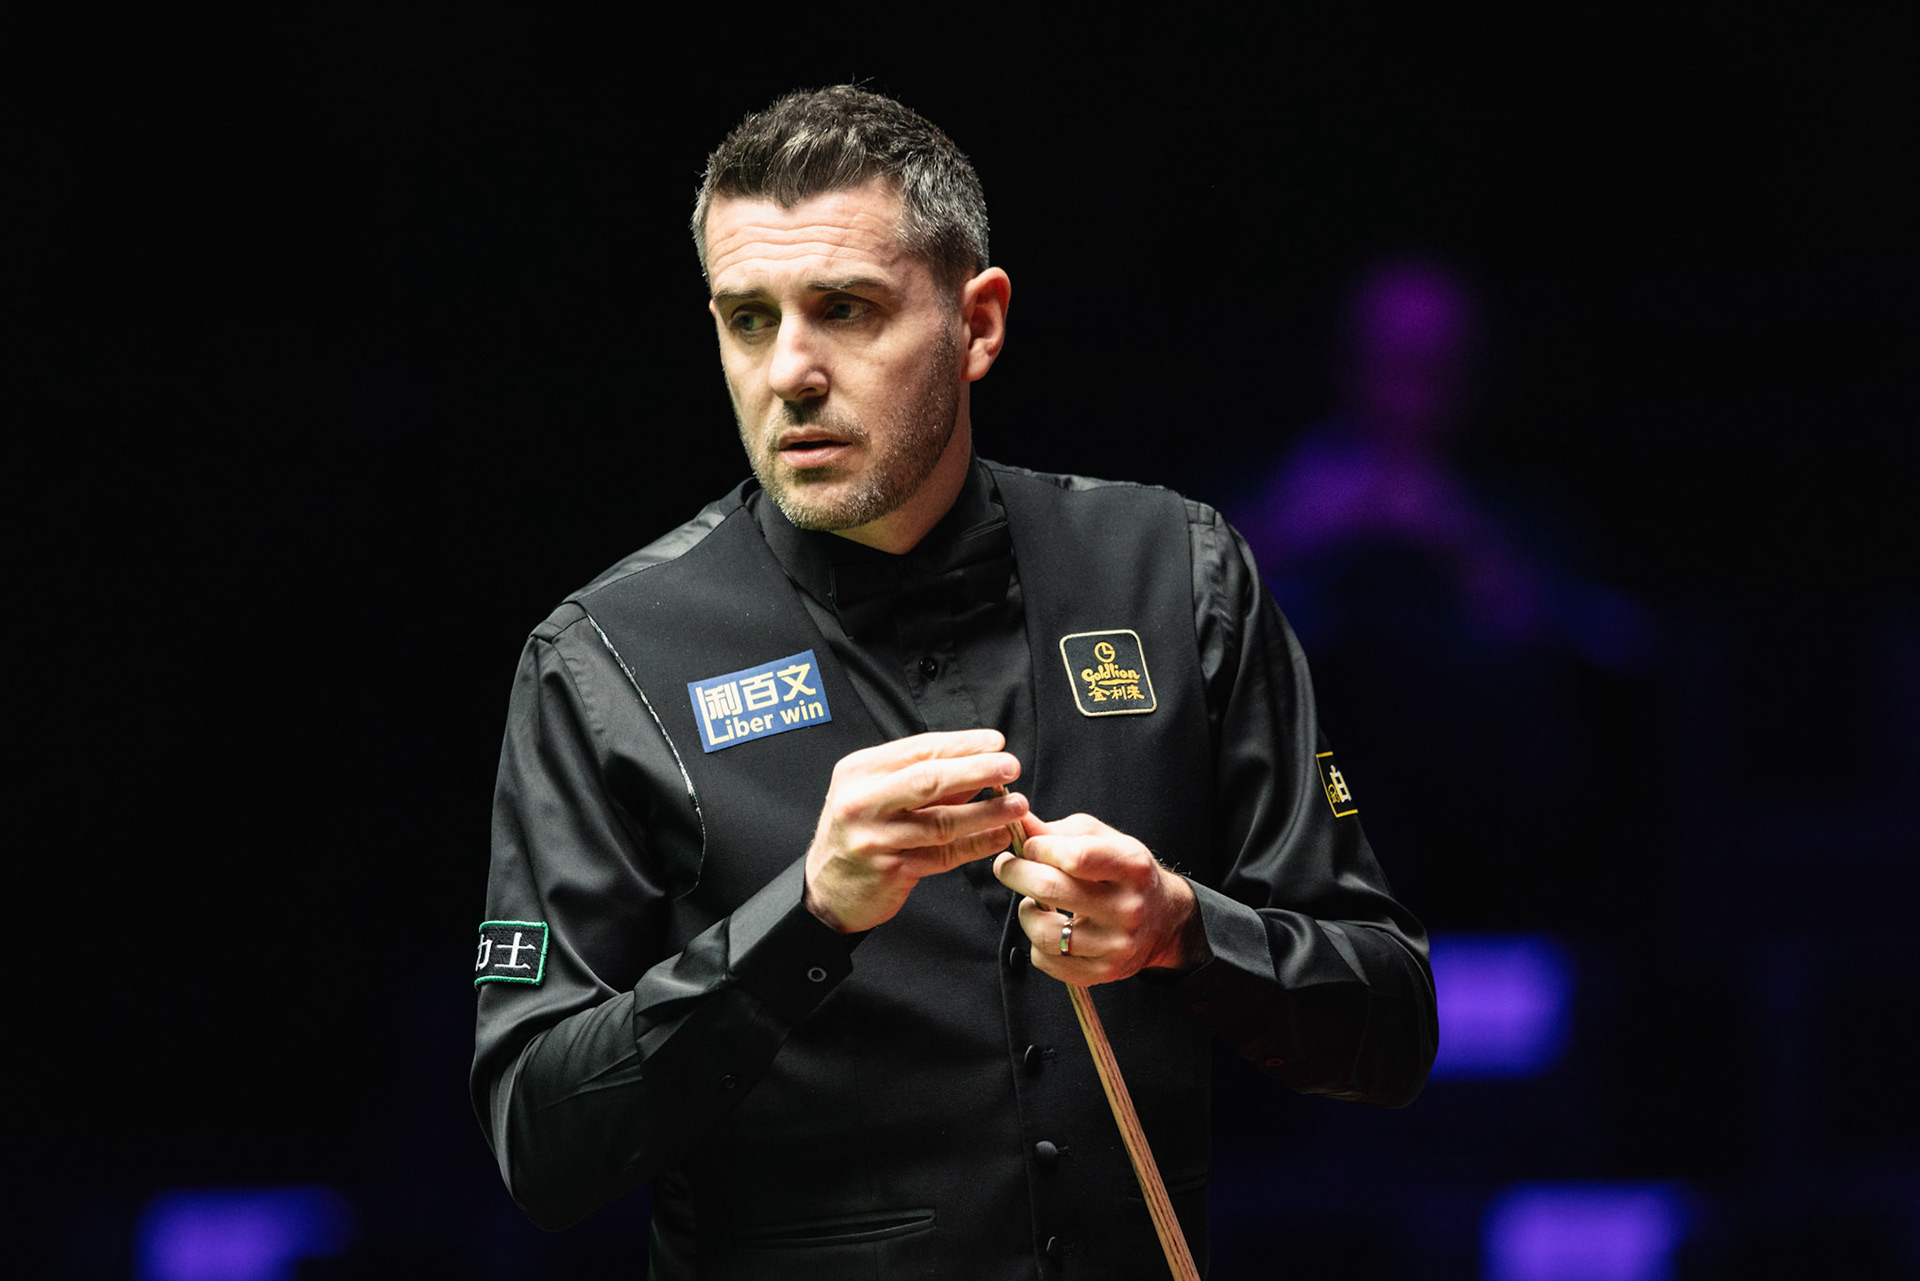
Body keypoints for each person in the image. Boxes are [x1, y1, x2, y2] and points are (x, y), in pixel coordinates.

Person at [472, 85, 1436, 1279]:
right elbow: (541, 1144)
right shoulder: (608, 657)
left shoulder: (1175, 575)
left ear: (978, 324)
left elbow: (1391, 1024)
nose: (791, 372)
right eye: (748, 319)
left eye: (846, 310)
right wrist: (807, 915)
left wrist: (1184, 931)